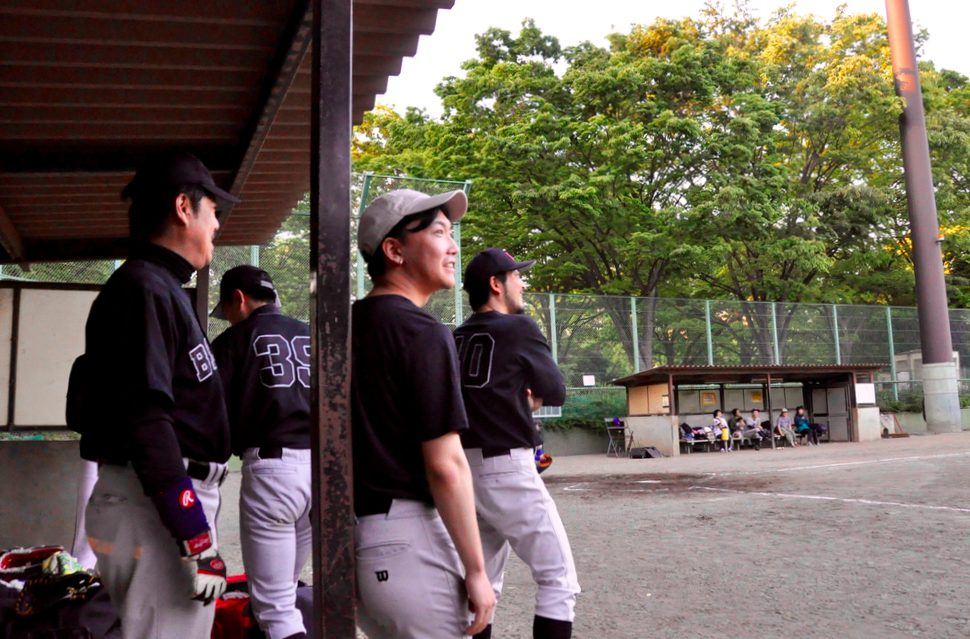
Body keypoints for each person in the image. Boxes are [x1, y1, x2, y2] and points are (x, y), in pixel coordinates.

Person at [81, 152, 237, 638]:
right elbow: (146, 418)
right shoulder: (144, 287)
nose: (217, 225)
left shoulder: (158, 286)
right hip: (154, 504)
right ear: (183, 208)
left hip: (153, 501)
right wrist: (193, 533)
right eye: (213, 210)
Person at [352, 189, 495, 639]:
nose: (453, 247)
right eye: (438, 233)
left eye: (451, 234)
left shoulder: (343, 325)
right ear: (394, 251)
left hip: (354, 536)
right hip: (406, 536)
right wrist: (477, 570)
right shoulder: (421, 330)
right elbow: (446, 466)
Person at [455, 248, 580, 639]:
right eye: (516, 276)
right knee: (559, 579)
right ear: (496, 284)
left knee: (482, 588)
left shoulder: (453, 336)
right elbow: (555, 391)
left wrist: (511, 397)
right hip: (506, 468)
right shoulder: (519, 327)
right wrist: (524, 398)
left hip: (460, 474)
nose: (522, 283)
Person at [210, 266, 311, 639]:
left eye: (227, 309)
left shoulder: (234, 340)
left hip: (273, 473)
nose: (228, 318)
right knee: (285, 591)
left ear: (238, 299)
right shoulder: (313, 334)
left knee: (275, 607)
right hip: (325, 470)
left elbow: (211, 414)